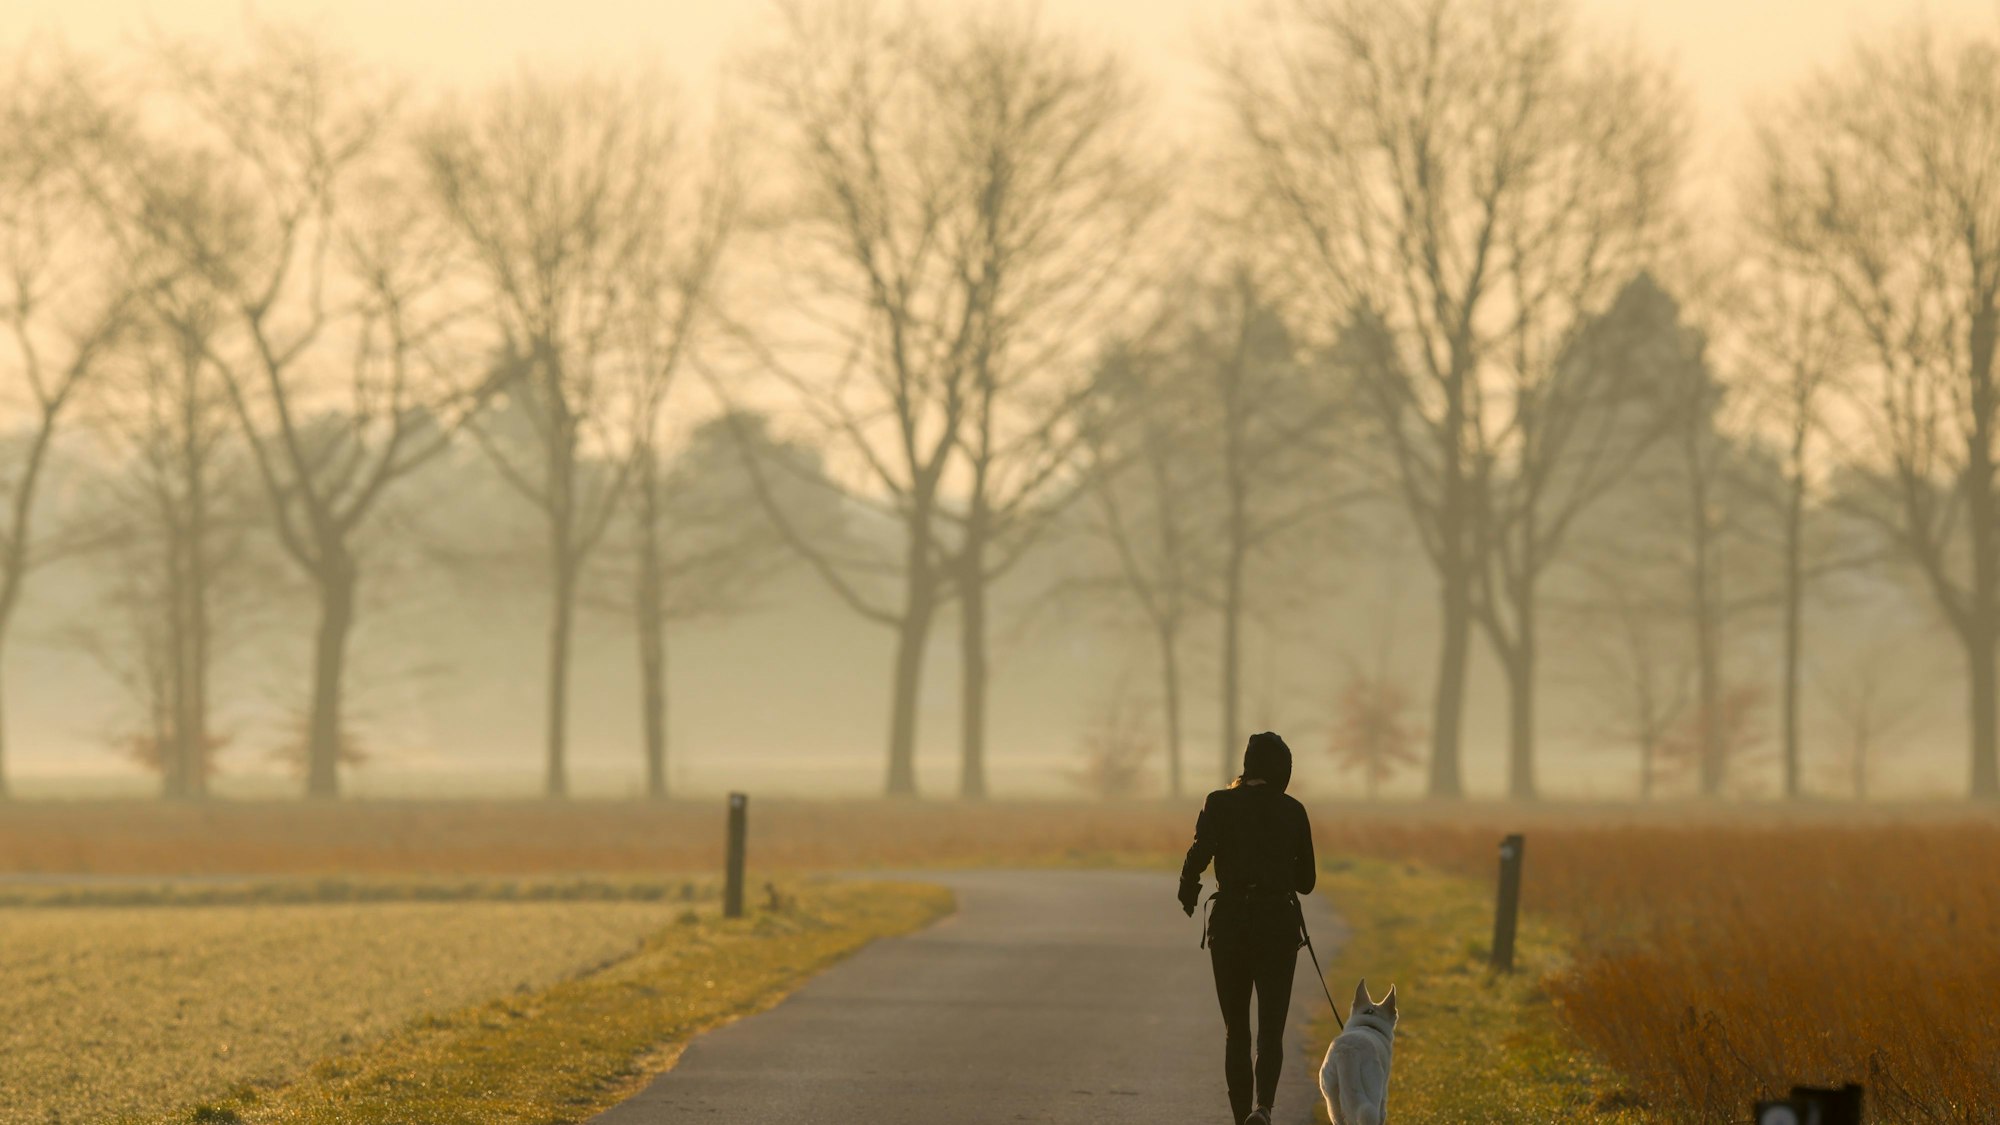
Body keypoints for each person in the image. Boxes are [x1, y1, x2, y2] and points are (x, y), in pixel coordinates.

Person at [1178, 731, 1317, 1125]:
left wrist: (1187, 890)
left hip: (1231, 925)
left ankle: (1242, 1119)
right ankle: (1266, 1109)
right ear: (1282, 771)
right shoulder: (1293, 810)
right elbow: (1306, 882)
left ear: (1247, 765)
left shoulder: (1218, 803)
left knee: (1235, 1029)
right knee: (1270, 1030)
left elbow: (1198, 855)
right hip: (1276, 925)